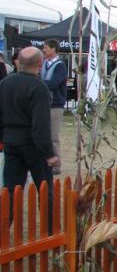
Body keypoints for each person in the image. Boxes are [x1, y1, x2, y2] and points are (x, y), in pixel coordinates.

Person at [0, 47, 59, 219]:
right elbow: (40, 125)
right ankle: (51, 230)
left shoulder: (4, 84)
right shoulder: (38, 87)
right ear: (40, 65)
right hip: (34, 147)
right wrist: (49, 154)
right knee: (44, 188)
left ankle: (3, 229)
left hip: (11, 143)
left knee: (11, 189)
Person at [40, 39, 66, 176]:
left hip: (55, 105)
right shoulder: (44, 64)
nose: (44, 50)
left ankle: (57, 166)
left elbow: (54, 83)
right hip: (44, 104)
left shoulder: (60, 65)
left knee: (53, 136)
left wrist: (39, 82)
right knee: (43, 134)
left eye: (46, 48)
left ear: (53, 49)